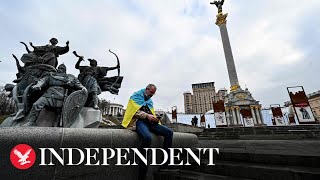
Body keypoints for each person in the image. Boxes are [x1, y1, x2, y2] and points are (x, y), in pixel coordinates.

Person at [121, 84, 173, 180]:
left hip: (151, 123)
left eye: (153, 94)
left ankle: (165, 163)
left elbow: (151, 112)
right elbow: (133, 112)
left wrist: (155, 118)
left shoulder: (149, 100)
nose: (152, 95)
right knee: (147, 138)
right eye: (151, 93)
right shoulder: (135, 97)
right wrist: (147, 116)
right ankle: (142, 172)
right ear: (147, 89)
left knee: (169, 133)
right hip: (139, 122)